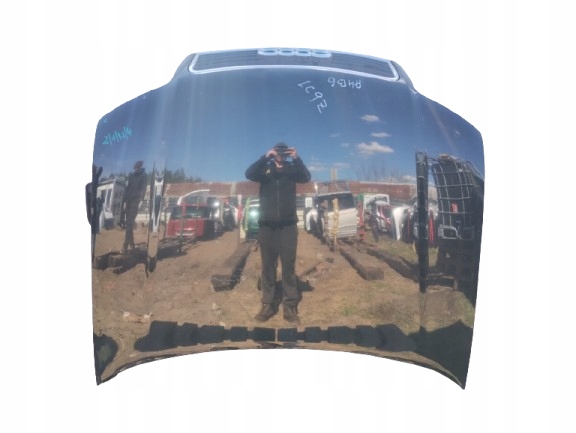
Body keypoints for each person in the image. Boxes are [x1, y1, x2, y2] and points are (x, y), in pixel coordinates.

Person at [245, 143, 311, 323]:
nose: (280, 155)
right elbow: (249, 173)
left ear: (288, 154)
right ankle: (268, 303)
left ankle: (289, 305)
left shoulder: (292, 169)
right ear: (273, 153)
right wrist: (265, 157)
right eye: (277, 152)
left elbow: (306, 177)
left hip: (288, 225)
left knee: (288, 265)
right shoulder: (265, 169)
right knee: (268, 265)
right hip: (267, 225)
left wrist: (297, 159)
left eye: (284, 152)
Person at [121, 160, 147, 254]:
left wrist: (142, 200)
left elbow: (144, 188)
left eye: (137, 167)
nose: (136, 169)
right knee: (129, 224)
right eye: (135, 168)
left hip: (135, 201)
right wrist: (124, 201)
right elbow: (126, 189)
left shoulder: (144, 175)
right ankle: (132, 245)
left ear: (140, 167)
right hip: (128, 201)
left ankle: (125, 246)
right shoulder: (131, 175)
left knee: (129, 223)